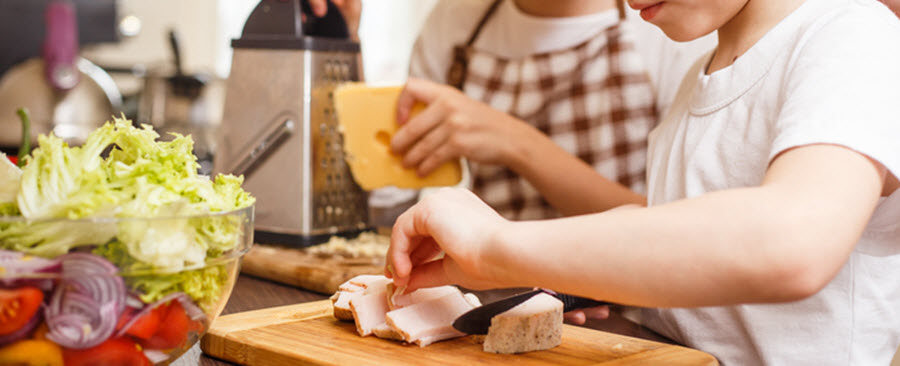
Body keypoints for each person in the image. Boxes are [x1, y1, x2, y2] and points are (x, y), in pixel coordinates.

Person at [383, 0, 900, 364]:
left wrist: (495, 246)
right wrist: (599, 284)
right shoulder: (699, 75)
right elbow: (675, 240)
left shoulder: (854, 36)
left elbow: (792, 242)